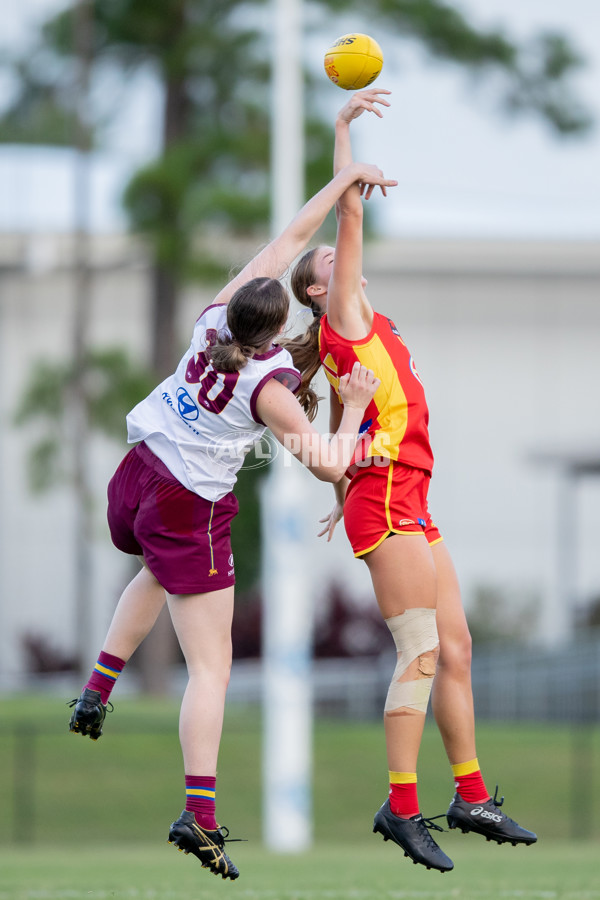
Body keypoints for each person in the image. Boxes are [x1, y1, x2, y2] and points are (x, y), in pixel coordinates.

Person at [68, 160, 392, 881]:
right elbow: (329, 465)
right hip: (190, 503)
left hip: (140, 477)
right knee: (211, 669)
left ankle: (98, 685)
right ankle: (200, 815)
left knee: (156, 571)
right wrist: (360, 404)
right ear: (278, 327)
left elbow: (290, 234)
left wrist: (341, 188)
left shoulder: (215, 318)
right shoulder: (269, 386)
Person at [286, 89, 537, 873]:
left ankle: (469, 795)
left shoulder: (361, 331)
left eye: (336, 255)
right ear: (321, 292)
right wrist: (343, 141)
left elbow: (345, 421)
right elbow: (349, 218)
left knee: (457, 647)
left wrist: (335, 497)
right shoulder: (346, 318)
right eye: (328, 262)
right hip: (388, 497)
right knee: (421, 651)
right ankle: (400, 808)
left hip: (403, 496)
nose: (341, 255)